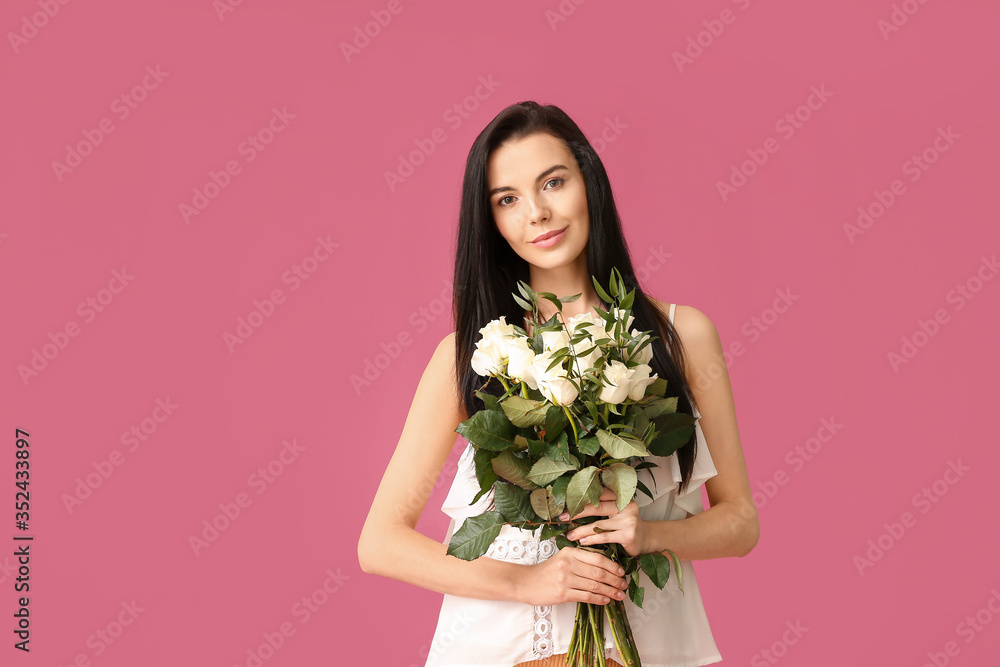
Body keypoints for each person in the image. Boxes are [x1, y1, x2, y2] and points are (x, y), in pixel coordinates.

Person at [357, 100, 759, 666]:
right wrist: (525, 583)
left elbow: (740, 522)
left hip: (643, 642)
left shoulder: (679, 336)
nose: (537, 213)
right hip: (499, 646)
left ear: (589, 183)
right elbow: (379, 543)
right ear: (492, 221)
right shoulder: (473, 354)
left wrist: (647, 535)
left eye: (553, 182)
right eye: (508, 199)